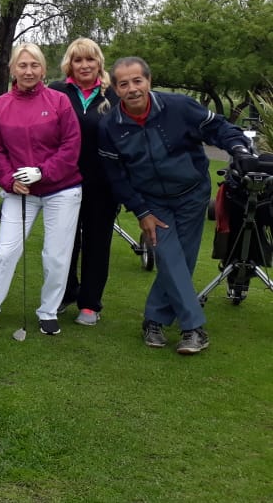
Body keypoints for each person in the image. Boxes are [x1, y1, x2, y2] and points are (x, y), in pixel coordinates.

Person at [98, 57, 249, 355]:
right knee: (168, 256)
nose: (132, 89)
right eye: (124, 84)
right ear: (115, 88)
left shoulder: (179, 107)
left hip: (192, 194)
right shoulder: (109, 126)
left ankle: (153, 320)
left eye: (137, 81)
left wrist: (239, 148)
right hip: (153, 203)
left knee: (183, 260)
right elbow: (116, 176)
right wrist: (140, 211)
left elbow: (218, 128)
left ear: (148, 81)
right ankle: (193, 328)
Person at [0, 43, 82, 336]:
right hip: (20, 191)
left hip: (61, 188)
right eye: (22, 65)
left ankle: (48, 310)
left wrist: (42, 172)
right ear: (13, 69)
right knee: (5, 250)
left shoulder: (59, 101)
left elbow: (71, 146)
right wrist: (9, 180)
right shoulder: (1, 105)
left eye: (34, 65)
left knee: (56, 255)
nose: (28, 71)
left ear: (43, 69)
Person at [49, 38, 120, 326]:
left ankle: (90, 303)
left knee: (96, 243)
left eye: (90, 59)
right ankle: (66, 291)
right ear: (70, 64)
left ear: (99, 62)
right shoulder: (56, 91)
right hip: (64, 181)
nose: (84, 65)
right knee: (64, 242)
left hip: (102, 184)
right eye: (78, 60)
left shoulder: (114, 95)